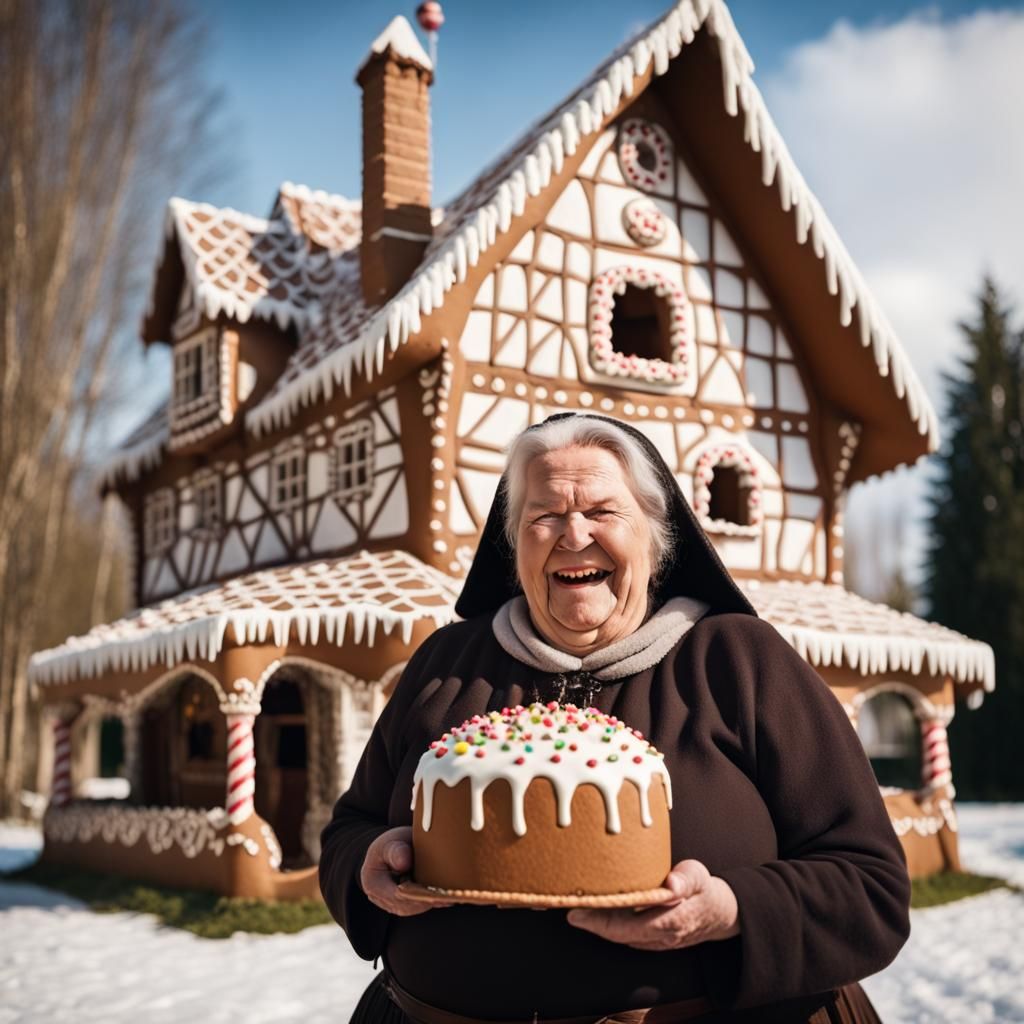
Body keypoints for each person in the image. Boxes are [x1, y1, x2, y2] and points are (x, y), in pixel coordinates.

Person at [320, 413, 910, 1024]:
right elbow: (349, 830)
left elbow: (871, 888)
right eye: (543, 516)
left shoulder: (740, 661)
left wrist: (730, 909)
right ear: (513, 544)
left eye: (603, 512)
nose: (572, 535)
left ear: (656, 539)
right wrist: (368, 862)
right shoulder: (446, 665)